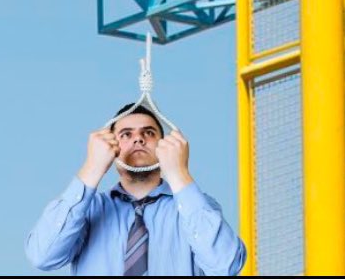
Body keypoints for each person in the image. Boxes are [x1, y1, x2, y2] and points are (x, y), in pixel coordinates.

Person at [25, 102, 246, 275]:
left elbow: (226, 265)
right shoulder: (87, 211)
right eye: (126, 134)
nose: (138, 139)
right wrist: (91, 167)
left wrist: (179, 173)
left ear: (163, 145)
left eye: (148, 133)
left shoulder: (194, 207)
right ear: (112, 146)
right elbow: (43, 256)